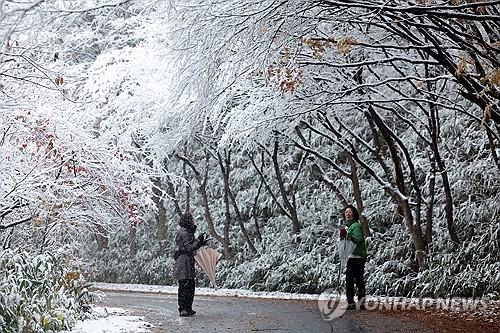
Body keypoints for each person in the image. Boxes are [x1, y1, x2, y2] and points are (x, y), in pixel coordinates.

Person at [173, 212, 207, 317]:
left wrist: (200, 242)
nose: (193, 221)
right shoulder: (184, 233)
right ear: (188, 221)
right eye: (192, 219)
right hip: (184, 262)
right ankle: (183, 308)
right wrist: (198, 241)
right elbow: (189, 248)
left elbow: (190, 246)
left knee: (190, 285)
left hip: (187, 261)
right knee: (184, 286)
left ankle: (188, 308)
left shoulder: (187, 232)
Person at [340, 204, 367, 310]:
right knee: (358, 279)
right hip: (355, 256)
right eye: (346, 212)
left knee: (351, 279)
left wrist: (348, 235)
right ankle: (360, 302)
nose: (347, 214)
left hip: (356, 256)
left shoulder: (355, 226)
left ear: (354, 214)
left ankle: (351, 302)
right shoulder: (351, 226)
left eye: (350, 212)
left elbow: (359, 239)